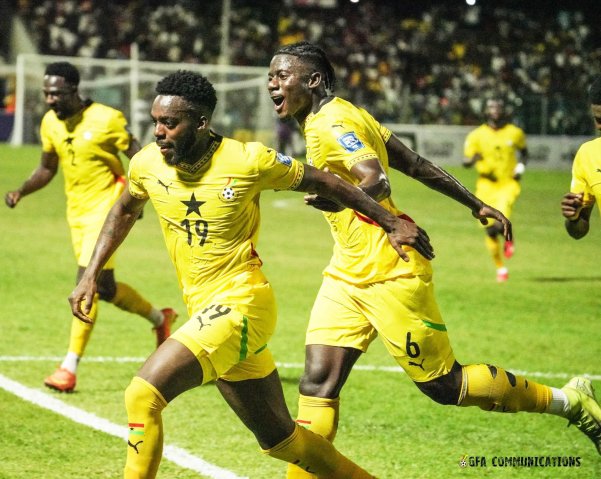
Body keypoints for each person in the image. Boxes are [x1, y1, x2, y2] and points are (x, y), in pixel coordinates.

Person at [67, 69, 432, 479]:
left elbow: (329, 182)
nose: (158, 132)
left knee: (142, 395)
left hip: (243, 304)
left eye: (170, 123)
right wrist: (90, 275)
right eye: (155, 122)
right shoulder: (146, 164)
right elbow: (123, 210)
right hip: (206, 311)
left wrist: (390, 221)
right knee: (281, 440)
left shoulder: (248, 160)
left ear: (201, 122)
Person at [266, 41, 601, 478]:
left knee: (446, 386)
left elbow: (377, 179)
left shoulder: (332, 122)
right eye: (270, 76)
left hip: (389, 269)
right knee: (317, 383)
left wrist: (341, 199)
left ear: (312, 80)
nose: (272, 84)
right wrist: (475, 203)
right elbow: (414, 163)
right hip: (347, 272)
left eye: (282, 76)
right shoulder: (346, 113)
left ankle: (569, 402)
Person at [4, 62, 177, 393]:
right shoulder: (50, 123)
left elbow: (139, 156)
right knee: (106, 288)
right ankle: (161, 318)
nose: (50, 99)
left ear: (74, 89)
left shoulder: (106, 119)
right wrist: (21, 191)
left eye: (56, 93)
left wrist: (137, 200)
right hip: (77, 213)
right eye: (46, 93)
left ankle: (68, 367)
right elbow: (47, 167)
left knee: (88, 282)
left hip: (107, 209)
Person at [463, 98, 528, 282]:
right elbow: (466, 161)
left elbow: (524, 152)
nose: (495, 110)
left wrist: (520, 167)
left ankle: (508, 238)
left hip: (508, 184)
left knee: (499, 223)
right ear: (485, 110)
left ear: (504, 110)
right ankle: (500, 268)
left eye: (498, 106)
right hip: (485, 186)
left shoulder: (515, 132)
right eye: (491, 106)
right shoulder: (476, 135)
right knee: (489, 230)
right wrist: (472, 160)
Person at [561, 75, 601, 237]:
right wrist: (574, 218)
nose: (598, 126)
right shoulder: (588, 154)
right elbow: (578, 231)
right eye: (597, 119)